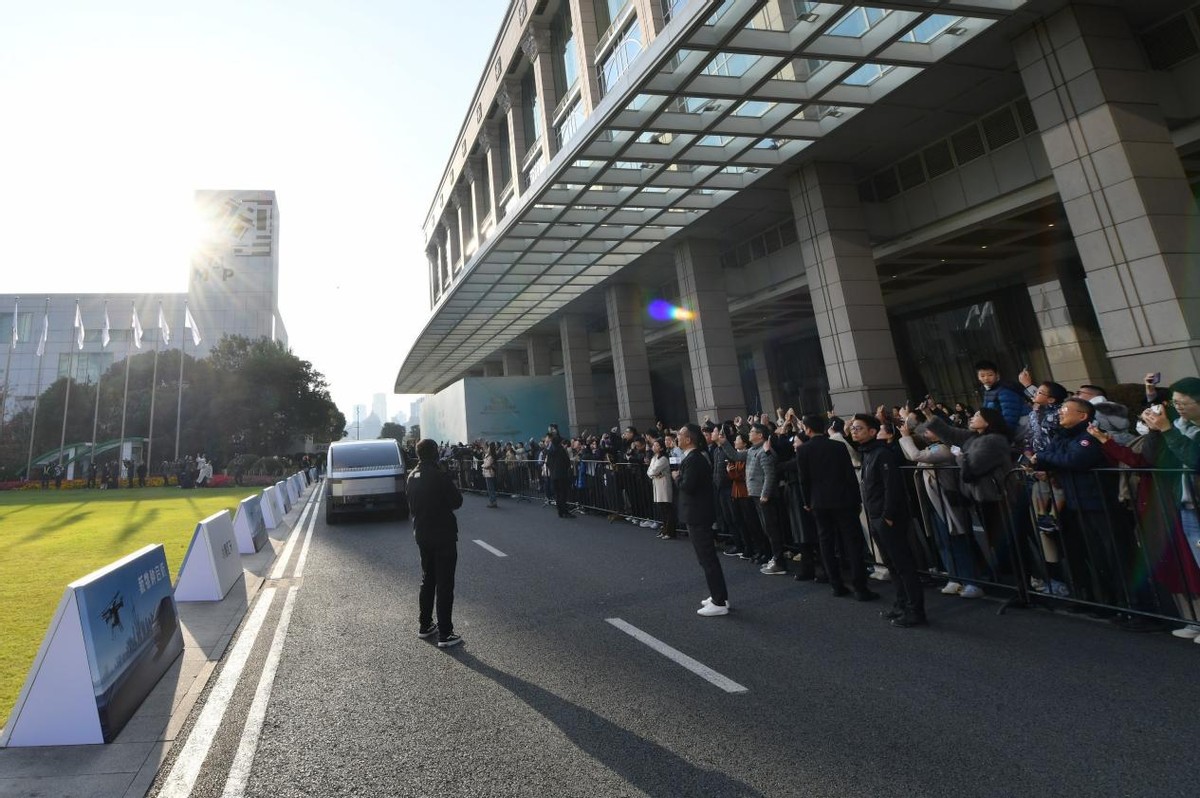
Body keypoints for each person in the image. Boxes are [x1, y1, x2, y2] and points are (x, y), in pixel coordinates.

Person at [850, 414, 926, 627]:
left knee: (903, 565)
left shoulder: (882, 453)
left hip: (887, 518)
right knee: (891, 564)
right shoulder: (867, 452)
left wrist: (888, 516)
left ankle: (915, 610)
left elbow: (891, 487)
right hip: (875, 516)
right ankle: (901, 603)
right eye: (853, 428)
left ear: (872, 432)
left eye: (859, 428)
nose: (854, 431)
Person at [795, 414, 877, 601]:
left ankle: (836, 585)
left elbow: (804, 480)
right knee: (852, 543)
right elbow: (849, 474)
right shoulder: (838, 446)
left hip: (819, 502)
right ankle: (860, 587)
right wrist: (857, 500)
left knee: (826, 543)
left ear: (808, 429)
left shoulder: (803, 450)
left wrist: (807, 501)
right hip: (844, 500)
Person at [407, 438, 464, 648]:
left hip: (422, 534)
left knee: (427, 579)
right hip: (443, 534)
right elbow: (457, 501)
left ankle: (425, 625)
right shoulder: (439, 475)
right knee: (445, 583)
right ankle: (445, 633)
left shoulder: (411, 476)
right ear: (435, 453)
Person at [676, 423, 729, 616]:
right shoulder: (693, 457)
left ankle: (719, 601)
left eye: (680, 435)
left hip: (698, 515)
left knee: (707, 558)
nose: (677, 437)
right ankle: (718, 596)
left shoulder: (694, 459)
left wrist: (677, 477)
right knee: (706, 558)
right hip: (698, 514)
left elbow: (687, 486)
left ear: (688, 439)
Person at [544, 433, 573, 519]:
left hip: (553, 476)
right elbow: (567, 462)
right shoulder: (561, 451)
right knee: (563, 493)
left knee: (557, 494)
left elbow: (547, 463)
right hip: (562, 475)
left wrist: (552, 470)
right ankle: (565, 511)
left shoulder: (550, 451)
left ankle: (560, 511)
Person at [482, 442, 498, 508]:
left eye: (488, 448)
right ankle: (492, 501)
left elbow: (488, 465)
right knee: (490, 488)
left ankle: (493, 502)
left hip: (489, 473)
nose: (487, 449)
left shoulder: (491, 456)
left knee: (490, 488)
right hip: (487, 473)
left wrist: (483, 465)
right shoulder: (488, 455)